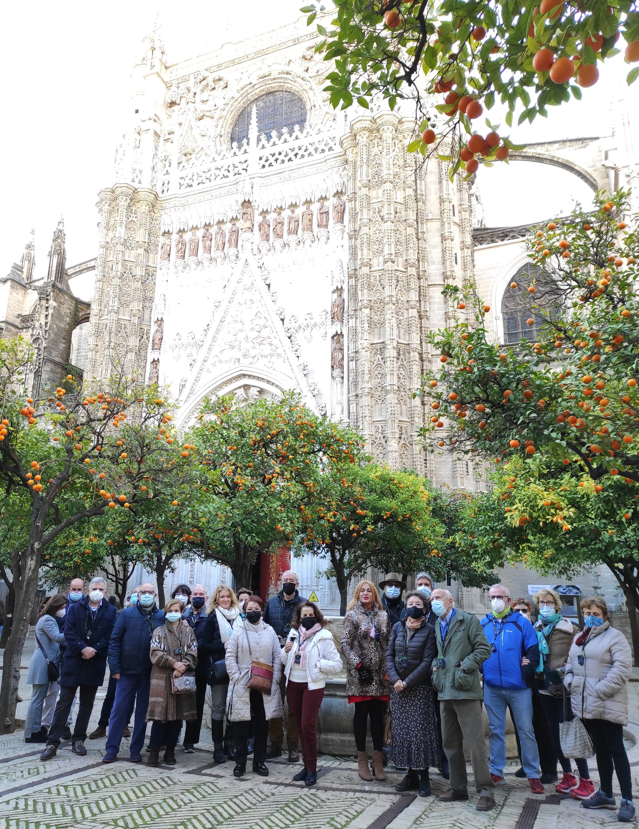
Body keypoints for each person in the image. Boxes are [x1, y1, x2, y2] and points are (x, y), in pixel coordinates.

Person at [564, 596, 634, 823]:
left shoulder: (616, 637)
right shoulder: (579, 638)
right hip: (587, 705)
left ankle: (627, 801)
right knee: (601, 750)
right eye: (587, 613)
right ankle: (605, 794)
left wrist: (600, 690)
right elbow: (570, 663)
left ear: (604, 615)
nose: (591, 617)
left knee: (616, 750)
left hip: (607, 702)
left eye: (595, 614)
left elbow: (623, 668)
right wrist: (569, 680)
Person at [430, 588, 495, 811]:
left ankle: (485, 791)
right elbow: (443, 653)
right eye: (432, 599)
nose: (433, 602)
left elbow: (484, 649)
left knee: (476, 744)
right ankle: (458, 788)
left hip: (465, 689)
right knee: (450, 743)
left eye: (437, 598)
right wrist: (435, 669)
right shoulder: (438, 624)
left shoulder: (467, 620)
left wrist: (465, 667)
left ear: (450, 601)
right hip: (445, 690)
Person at [40, 578, 117, 760]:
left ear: (105, 592)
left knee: (86, 704)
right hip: (74, 661)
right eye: (94, 588)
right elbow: (69, 632)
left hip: (95, 662)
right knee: (64, 702)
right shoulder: (75, 608)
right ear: (88, 590)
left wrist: (94, 649)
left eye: (101, 589)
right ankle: (52, 742)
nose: (97, 591)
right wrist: (82, 648)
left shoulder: (111, 611)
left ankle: (78, 740)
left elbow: (111, 635)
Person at [480, 584, 544, 794]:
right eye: (492, 597)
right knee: (496, 731)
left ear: (508, 600)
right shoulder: (484, 623)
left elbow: (533, 652)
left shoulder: (521, 623)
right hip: (492, 687)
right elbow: (477, 650)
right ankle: (496, 771)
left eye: (499, 596)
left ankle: (533, 774)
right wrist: (484, 669)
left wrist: (523, 673)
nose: (495, 600)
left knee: (526, 731)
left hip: (519, 688)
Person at [532, 588, 591, 795]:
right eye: (541, 603)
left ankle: (585, 778)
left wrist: (563, 670)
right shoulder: (536, 627)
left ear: (556, 605)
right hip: (543, 684)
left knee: (570, 730)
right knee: (554, 732)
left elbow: (579, 656)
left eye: (549, 602)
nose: (545, 606)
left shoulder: (570, 629)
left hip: (563, 686)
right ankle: (567, 774)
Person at [281, 602, 342, 786]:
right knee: (299, 726)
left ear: (316, 616)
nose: (307, 618)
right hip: (293, 683)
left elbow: (337, 664)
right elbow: (285, 659)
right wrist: (285, 651)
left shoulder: (324, 636)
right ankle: (306, 766)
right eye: (303, 615)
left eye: (310, 614)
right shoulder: (294, 634)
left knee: (308, 725)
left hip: (312, 684)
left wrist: (319, 665)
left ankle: (312, 768)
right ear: (299, 618)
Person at [103, 582, 164, 763]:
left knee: (143, 714)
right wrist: (114, 668)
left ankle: (135, 750)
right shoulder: (126, 614)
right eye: (142, 592)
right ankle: (111, 749)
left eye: (149, 592)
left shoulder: (161, 616)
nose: (145, 595)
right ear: (137, 595)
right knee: (118, 711)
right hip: (126, 672)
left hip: (149, 673)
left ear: (154, 595)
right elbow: (114, 640)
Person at [386, 590, 438, 797]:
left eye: (417, 604)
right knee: (403, 732)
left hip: (419, 689)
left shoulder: (430, 631)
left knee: (420, 733)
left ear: (424, 609)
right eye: (410, 603)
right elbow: (389, 654)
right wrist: (395, 679)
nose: (413, 607)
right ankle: (410, 774)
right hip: (398, 689)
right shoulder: (398, 627)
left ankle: (424, 776)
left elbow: (427, 662)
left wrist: (406, 682)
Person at [226, 595, 283, 778]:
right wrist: (235, 677)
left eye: (256, 609)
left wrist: (275, 679)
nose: (253, 612)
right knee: (241, 724)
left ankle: (259, 761)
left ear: (262, 610)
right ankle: (240, 762)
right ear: (245, 612)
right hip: (242, 682)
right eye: (249, 610)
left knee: (262, 724)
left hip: (264, 681)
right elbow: (230, 657)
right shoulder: (238, 631)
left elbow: (277, 656)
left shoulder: (270, 631)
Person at [340, 580, 390, 782]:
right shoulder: (352, 615)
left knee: (378, 717)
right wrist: (358, 665)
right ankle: (362, 759)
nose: (366, 593)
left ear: (375, 594)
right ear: (357, 594)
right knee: (361, 715)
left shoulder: (383, 615)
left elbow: (388, 644)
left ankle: (378, 760)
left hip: (379, 676)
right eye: (362, 590)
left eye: (370, 590)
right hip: (360, 675)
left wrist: (388, 669)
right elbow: (344, 644)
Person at [147, 598, 198, 766]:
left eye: (177, 610)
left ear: (182, 612)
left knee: (177, 717)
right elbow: (155, 653)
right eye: (170, 610)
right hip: (162, 678)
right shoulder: (159, 631)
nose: (173, 613)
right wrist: (172, 662)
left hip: (181, 678)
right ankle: (154, 752)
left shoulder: (188, 631)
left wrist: (183, 665)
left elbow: (193, 650)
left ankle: (170, 751)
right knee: (160, 717)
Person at [263, 570, 306, 761]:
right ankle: (275, 743)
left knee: (294, 704)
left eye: (292, 581)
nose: (288, 583)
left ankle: (293, 746)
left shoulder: (304, 604)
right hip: (275, 658)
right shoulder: (271, 603)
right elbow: (263, 628)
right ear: (281, 583)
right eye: (285, 580)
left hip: (297, 660)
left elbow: (311, 628)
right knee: (275, 701)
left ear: (297, 584)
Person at [89, 585, 141, 740]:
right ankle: (102, 725)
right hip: (119, 661)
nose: (137, 596)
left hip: (136, 663)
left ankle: (124, 723)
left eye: (140, 593)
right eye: (135, 593)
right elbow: (114, 638)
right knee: (111, 694)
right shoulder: (121, 614)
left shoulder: (148, 616)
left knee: (131, 696)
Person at [203, 585, 242, 761]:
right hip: (219, 669)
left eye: (228, 596)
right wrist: (223, 646)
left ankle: (229, 744)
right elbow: (203, 646)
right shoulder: (212, 618)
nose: (225, 599)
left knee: (232, 708)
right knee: (218, 707)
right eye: (222, 597)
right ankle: (217, 747)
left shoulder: (240, 617)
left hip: (238, 668)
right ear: (216, 599)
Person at [24, 595, 67, 743]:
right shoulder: (48, 619)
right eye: (63, 607)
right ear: (57, 606)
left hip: (43, 662)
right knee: (37, 699)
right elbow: (57, 637)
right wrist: (73, 632)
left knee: (38, 698)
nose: (64, 610)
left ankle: (34, 730)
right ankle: (32, 732)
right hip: (42, 663)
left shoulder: (46, 619)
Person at [181, 584, 210, 754]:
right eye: (195, 594)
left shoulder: (210, 617)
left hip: (200, 666)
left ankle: (190, 740)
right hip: (181, 665)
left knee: (197, 704)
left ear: (206, 598)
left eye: (201, 594)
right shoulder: (182, 615)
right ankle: (173, 736)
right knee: (178, 701)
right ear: (190, 597)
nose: (198, 597)